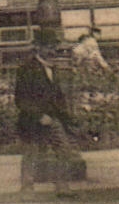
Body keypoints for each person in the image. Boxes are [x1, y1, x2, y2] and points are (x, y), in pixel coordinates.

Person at [14, 26, 87, 191]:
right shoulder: (26, 69)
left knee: (64, 150)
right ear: (38, 48)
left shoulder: (53, 68)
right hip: (32, 119)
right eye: (48, 46)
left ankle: (61, 185)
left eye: (54, 46)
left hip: (52, 118)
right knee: (31, 152)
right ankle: (27, 187)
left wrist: (66, 118)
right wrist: (39, 116)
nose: (52, 50)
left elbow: (57, 97)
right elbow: (21, 99)